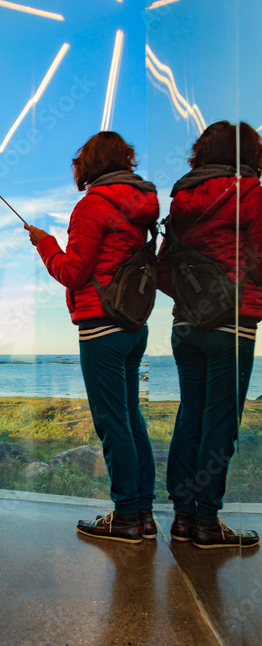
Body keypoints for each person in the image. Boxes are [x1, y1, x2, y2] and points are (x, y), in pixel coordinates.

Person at [26, 131, 159, 544]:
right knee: (131, 419)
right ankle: (143, 514)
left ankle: (124, 519)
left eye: (79, 160)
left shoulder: (92, 207)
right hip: (134, 328)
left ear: (90, 164)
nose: (76, 167)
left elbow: (72, 272)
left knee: (111, 422)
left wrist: (45, 245)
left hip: (101, 327)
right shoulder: (140, 206)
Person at [158, 121, 262, 549]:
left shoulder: (181, 201)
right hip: (232, 324)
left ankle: (183, 517)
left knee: (190, 417)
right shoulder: (252, 194)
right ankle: (206, 523)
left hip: (185, 325)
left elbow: (164, 272)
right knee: (220, 424)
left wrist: (194, 299)